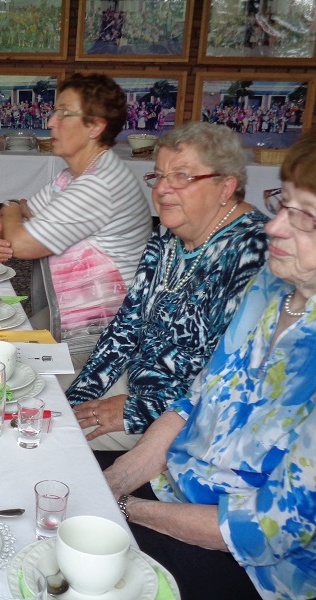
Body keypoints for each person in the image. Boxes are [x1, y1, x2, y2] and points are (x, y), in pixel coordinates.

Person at [101, 130, 316, 600]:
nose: (275, 228)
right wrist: (114, 479)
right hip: (174, 487)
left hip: (257, 568)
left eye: (305, 218)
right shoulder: (272, 286)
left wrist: (122, 506)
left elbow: (267, 531)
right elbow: (194, 397)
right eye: (283, 205)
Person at [67, 122, 268, 451]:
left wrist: (137, 411)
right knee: (39, 400)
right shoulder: (168, 236)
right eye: (159, 176)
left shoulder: (254, 251)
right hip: (134, 383)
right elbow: (126, 327)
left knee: (51, 437)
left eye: (182, 176)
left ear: (225, 187)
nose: (161, 189)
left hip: (186, 419)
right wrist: (77, 398)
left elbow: (233, 377)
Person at [0, 73, 152, 346]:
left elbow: (21, 241)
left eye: (64, 113)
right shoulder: (72, 178)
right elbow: (23, 219)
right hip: (73, 319)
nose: (51, 122)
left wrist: (9, 206)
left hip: (107, 336)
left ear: (95, 126)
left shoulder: (100, 183)